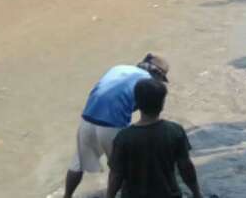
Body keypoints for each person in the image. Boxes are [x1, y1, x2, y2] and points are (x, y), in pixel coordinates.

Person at [63, 54, 170, 198]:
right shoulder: (148, 81)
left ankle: (67, 196)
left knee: (77, 164)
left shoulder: (119, 68)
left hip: (88, 118)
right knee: (119, 169)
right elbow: (146, 109)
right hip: (112, 125)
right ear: (157, 73)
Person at [106, 79, 202, 198]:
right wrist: (197, 194)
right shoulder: (175, 131)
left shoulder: (124, 137)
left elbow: (116, 174)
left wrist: (109, 196)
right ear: (162, 103)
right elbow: (186, 168)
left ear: (136, 103)